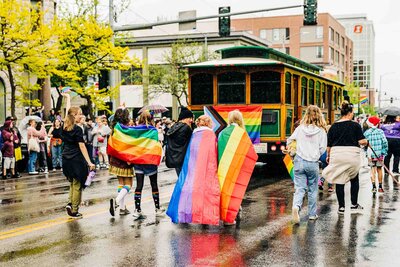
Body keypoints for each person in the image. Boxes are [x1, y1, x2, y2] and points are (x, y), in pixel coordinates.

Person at [166, 115, 220, 225]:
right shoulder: (210, 134)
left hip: (192, 165)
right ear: (208, 123)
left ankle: (185, 213)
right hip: (205, 166)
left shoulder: (194, 133)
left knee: (189, 188)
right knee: (205, 189)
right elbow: (213, 151)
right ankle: (205, 216)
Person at [322, 101, 368, 215]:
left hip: (337, 154)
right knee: (354, 178)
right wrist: (367, 142)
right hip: (352, 155)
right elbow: (361, 141)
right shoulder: (355, 125)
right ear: (350, 113)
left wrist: (328, 156)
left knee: (339, 180)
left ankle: (341, 207)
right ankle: (354, 205)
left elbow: (329, 146)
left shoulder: (333, 126)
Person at [287, 105, 327, 223]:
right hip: (313, 163)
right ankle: (312, 214)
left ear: (306, 115)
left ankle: (296, 207)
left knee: (299, 188)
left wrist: (295, 149)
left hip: (299, 161)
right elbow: (322, 148)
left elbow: (290, 140)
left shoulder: (300, 128)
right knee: (312, 189)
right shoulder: (321, 131)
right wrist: (315, 155)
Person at [218, 110, 258, 226]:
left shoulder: (223, 132)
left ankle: (226, 217)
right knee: (236, 189)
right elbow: (249, 151)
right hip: (238, 166)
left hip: (224, 165)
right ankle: (234, 211)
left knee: (226, 190)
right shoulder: (242, 133)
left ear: (229, 120)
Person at [61, 93, 95, 218]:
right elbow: (82, 146)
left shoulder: (65, 126)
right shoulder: (77, 129)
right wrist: (89, 162)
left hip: (65, 159)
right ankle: (74, 210)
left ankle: (70, 203)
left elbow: (67, 113)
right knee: (77, 184)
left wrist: (68, 98)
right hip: (76, 159)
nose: (81, 115)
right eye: (79, 113)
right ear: (74, 116)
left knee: (72, 183)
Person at [132, 111, 164, 219]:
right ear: (151, 118)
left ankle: (137, 209)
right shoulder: (153, 130)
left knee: (139, 186)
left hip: (138, 160)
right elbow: (155, 144)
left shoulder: (135, 130)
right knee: (154, 184)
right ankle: (157, 208)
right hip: (150, 160)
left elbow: (133, 144)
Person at [108, 108, 135, 216]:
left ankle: (122, 208)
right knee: (128, 184)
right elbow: (128, 145)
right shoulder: (126, 129)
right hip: (125, 160)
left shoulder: (114, 129)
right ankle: (116, 202)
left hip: (115, 159)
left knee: (121, 183)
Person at [165, 107, 194, 176]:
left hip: (175, 158)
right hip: (184, 158)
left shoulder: (174, 127)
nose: (191, 121)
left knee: (181, 179)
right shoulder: (186, 128)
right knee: (186, 180)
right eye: (190, 118)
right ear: (186, 118)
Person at [364, 116, 388, 193]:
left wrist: (366, 153)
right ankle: (380, 187)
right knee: (379, 169)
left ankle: (373, 186)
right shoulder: (380, 132)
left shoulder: (366, 133)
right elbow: (385, 143)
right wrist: (384, 152)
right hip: (379, 154)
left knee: (372, 169)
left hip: (370, 155)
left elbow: (364, 144)